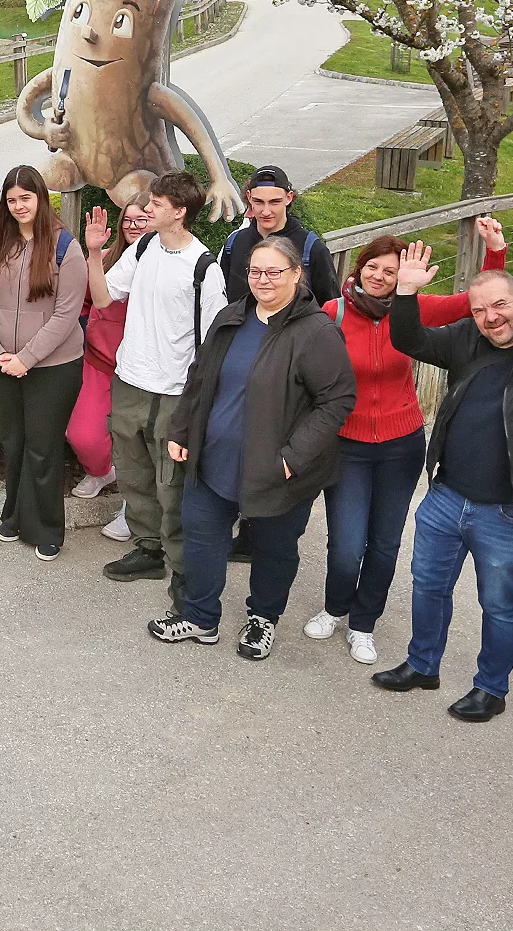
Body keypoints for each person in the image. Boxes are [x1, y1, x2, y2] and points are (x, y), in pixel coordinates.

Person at [371, 245, 513, 722]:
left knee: (498, 602)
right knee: (428, 586)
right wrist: (406, 292)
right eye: (479, 310)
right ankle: (422, 664)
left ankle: (491, 688)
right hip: (446, 498)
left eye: (500, 305)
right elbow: (410, 341)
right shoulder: (467, 339)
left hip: (507, 511)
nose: (490, 318)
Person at [308, 217, 507, 667]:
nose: (380, 277)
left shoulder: (413, 309)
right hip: (346, 443)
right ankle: (335, 607)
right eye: (372, 267)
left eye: (391, 271)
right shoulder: (333, 313)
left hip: (401, 443)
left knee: (384, 542)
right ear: (357, 270)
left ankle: (363, 624)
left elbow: (471, 303)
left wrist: (494, 251)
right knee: (345, 540)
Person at [149, 235, 356, 656]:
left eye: (274, 271)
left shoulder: (316, 333)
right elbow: (200, 378)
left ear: (297, 274)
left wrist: (292, 458)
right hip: (213, 458)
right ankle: (200, 618)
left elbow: (337, 401)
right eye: (255, 271)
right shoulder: (232, 317)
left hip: (277, 469)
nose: (263, 280)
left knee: (274, 547)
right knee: (203, 537)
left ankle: (262, 619)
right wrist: (181, 430)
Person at [91, 171, 227, 594]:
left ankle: (184, 568)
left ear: (180, 212)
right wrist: (95, 253)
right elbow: (101, 297)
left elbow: (211, 347)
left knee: (171, 483)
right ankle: (149, 551)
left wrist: (197, 405)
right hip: (129, 380)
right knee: (133, 473)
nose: (147, 209)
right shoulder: (145, 246)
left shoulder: (205, 268)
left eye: (156, 204)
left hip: (174, 391)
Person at [0, 166, 86, 558]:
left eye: (26, 198)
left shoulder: (64, 248)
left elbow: (66, 314)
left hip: (53, 367)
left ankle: (48, 528)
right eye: (11, 200)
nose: (19, 206)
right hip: (3, 363)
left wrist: (27, 357)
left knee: (44, 447)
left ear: (40, 198)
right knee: (14, 442)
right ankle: (15, 516)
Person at [69, 200, 152, 531]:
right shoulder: (106, 260)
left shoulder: (163, 266)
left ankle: (133, 511)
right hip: (100, 363)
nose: (133, 226)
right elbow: (86, 302)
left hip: (145, 373)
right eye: (128, 220)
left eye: (141, 220)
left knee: (142, 446)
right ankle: (102, 472)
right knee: (83, 436)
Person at [220, 165, 340, 307]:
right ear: (249, 198)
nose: (266, 211)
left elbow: (330, 308)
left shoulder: (312, 248)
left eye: (274, 202)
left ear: (288, 198)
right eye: (258, 202)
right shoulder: (234, 244)